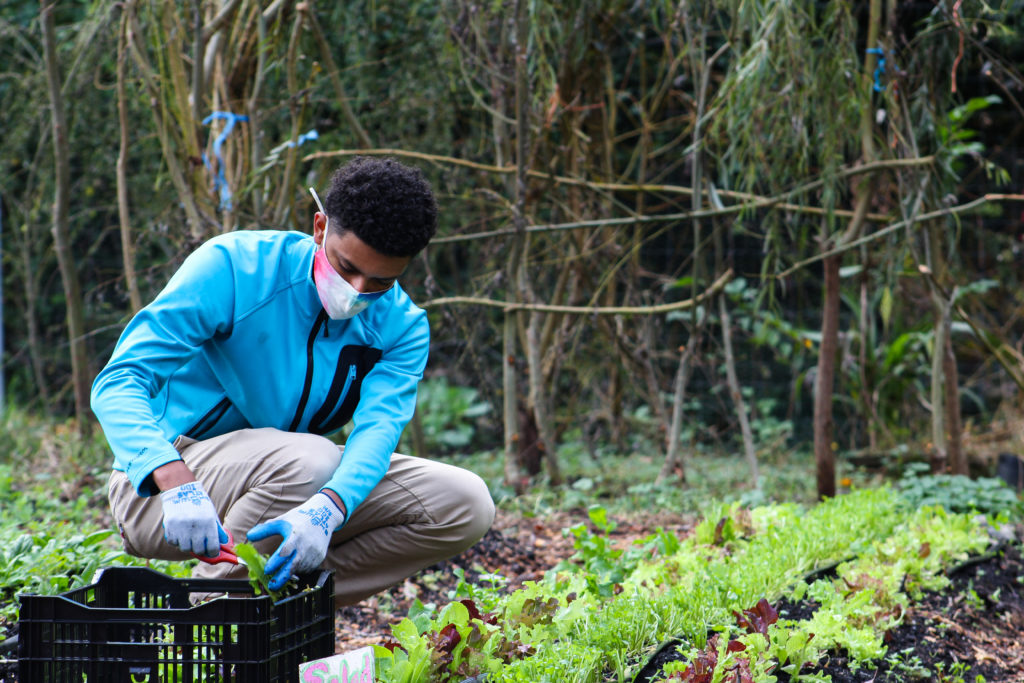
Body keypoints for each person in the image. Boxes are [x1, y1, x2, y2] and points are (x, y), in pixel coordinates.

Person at [91, 156, 495, 605]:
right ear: (320, 227)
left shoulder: (402, 328)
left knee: (464, 503)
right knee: (310, 462)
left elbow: (378, 432)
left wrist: (330, 508)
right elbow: (120, 380)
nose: (358, 291)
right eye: (346, 267)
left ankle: (283, 607)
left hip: (288, 482)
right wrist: (172, 477)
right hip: (160, 490)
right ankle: (212, 620)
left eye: (380, 281)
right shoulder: (234, 267)